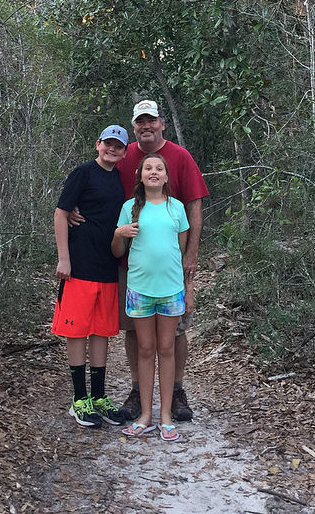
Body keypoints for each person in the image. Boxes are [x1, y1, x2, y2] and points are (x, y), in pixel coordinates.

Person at [68, 100, 209, 421]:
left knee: (175, 331)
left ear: (161, 124)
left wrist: (191, 256)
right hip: (128, 266)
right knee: (134, 329)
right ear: (134, 126)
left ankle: (176, 391)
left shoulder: (179, 157)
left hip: (171, 268)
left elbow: (194, 207)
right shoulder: (123, 155)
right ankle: (136, 389)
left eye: (151, 121)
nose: (146, 126)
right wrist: (72, 209)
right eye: (140, 122)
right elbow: (97, 182)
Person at [52, 125, 129, 428]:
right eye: (108, 144)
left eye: (118, 146)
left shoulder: (119, 180)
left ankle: (98, 397)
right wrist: (63, 259)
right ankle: (79, 399)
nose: (112, 149)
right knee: (77, 331)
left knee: (101, 331)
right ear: (98, 145)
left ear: (124, 152)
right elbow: (61, 213)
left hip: (107, 266)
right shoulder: (82, 173)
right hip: (79, 265)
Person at [112, 154, 189, 441]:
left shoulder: (176, 209)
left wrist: (184, 285)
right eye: (148, 168)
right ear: (140, 176)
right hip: (139, 290)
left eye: (159, 168)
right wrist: (119, 233)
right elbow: (118, 251)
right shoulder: (129, 208)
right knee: (145, 350)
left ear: (166, 177)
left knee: (166, 349)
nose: (154, 172)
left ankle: (166, 416)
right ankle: (145, 415)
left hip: (170, 290)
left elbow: (178, 250)